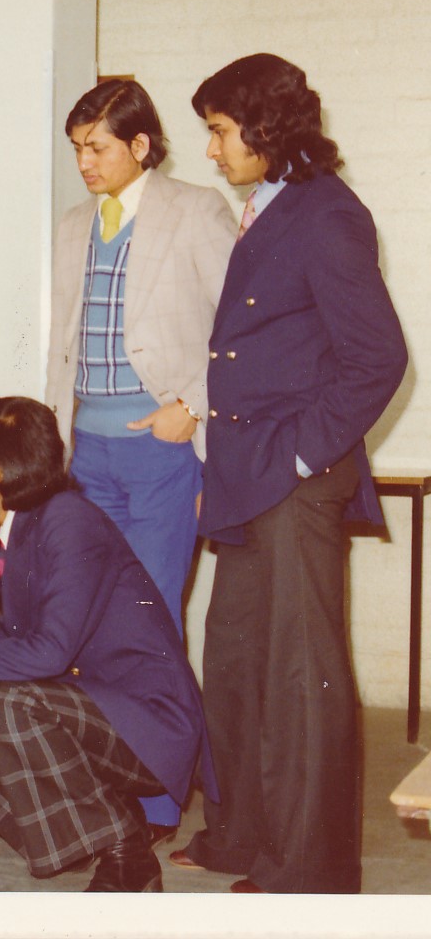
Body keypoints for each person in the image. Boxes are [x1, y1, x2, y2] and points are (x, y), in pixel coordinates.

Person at [172, 54, 407, 894]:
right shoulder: (269, 208)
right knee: (235, 661)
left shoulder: (326, 216)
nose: (210, 150)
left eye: (220, 131)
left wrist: (305, 454)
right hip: (247, 476)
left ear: (268, 131)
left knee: (299, 680)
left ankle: (309, 870)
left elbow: (378, 357)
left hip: (294, 480)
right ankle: (241, 836)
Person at [0, 396, 212, 892]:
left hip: (148, 722)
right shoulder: (18, 531)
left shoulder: (68, 519)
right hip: (86, 709)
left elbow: (48, 652)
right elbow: (14, 655)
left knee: (1, 702)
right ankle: (92, 827)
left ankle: (126, 851)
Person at [44, 78, 235, 842]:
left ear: (141, 145)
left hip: (160, 454)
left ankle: (160, 797)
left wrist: (192, 403)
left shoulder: (197, 212)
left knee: (151, 620)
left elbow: (240, 332)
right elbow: (64, 349)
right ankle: (109, 775)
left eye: (97, 147)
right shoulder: (69, 227)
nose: (84, 163)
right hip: (85, 452)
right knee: (91, 622)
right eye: (77, 150)